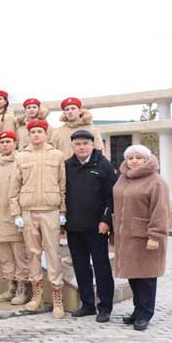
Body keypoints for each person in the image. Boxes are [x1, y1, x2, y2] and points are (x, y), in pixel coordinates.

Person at [9, 119, 68, 318]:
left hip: (50, 210)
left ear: (46, 134)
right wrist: (16, 213)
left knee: (52, 254)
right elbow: (14, 188)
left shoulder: (57, 155)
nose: (36, 135)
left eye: (39, 131)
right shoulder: (21, 157)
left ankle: (58, 299)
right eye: (32, 131)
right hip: (29, 211)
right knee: (32, 254)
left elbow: (63, 185)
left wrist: (62, 211)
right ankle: (37, 296)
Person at [112, 145, 169, 331]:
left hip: (145, 237)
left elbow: (161, 211)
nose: (134, 161)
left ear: (147, 159)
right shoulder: (123, 178)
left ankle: (145, 313)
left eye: (139, 158)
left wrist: (155, 235)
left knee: (146, 276)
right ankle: (138, 310)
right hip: (127, 237)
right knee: (134, 276)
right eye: (130, 158)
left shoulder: (156, 182)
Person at [65, 129, 118, 322]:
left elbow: (111, 197)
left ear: (92, 145)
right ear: (72, 146)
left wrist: (106, 221)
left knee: (101, 266)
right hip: (74, 227)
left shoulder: (103, 165)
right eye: (78, 144)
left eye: (85, 144)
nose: (81, 147)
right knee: (80, 266)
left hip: (97, 227)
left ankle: (105, 306)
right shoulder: (67, 166)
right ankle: (87, 304)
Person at [0, 130, 29, 304]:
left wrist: (21, 214)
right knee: (5, 256)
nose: (5, 145)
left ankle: (22, 288)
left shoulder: (21, 163)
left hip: (16, 216)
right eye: (2, 142)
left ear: (15, 143)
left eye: (9, 141)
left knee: (20, 255)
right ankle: (10, 287)